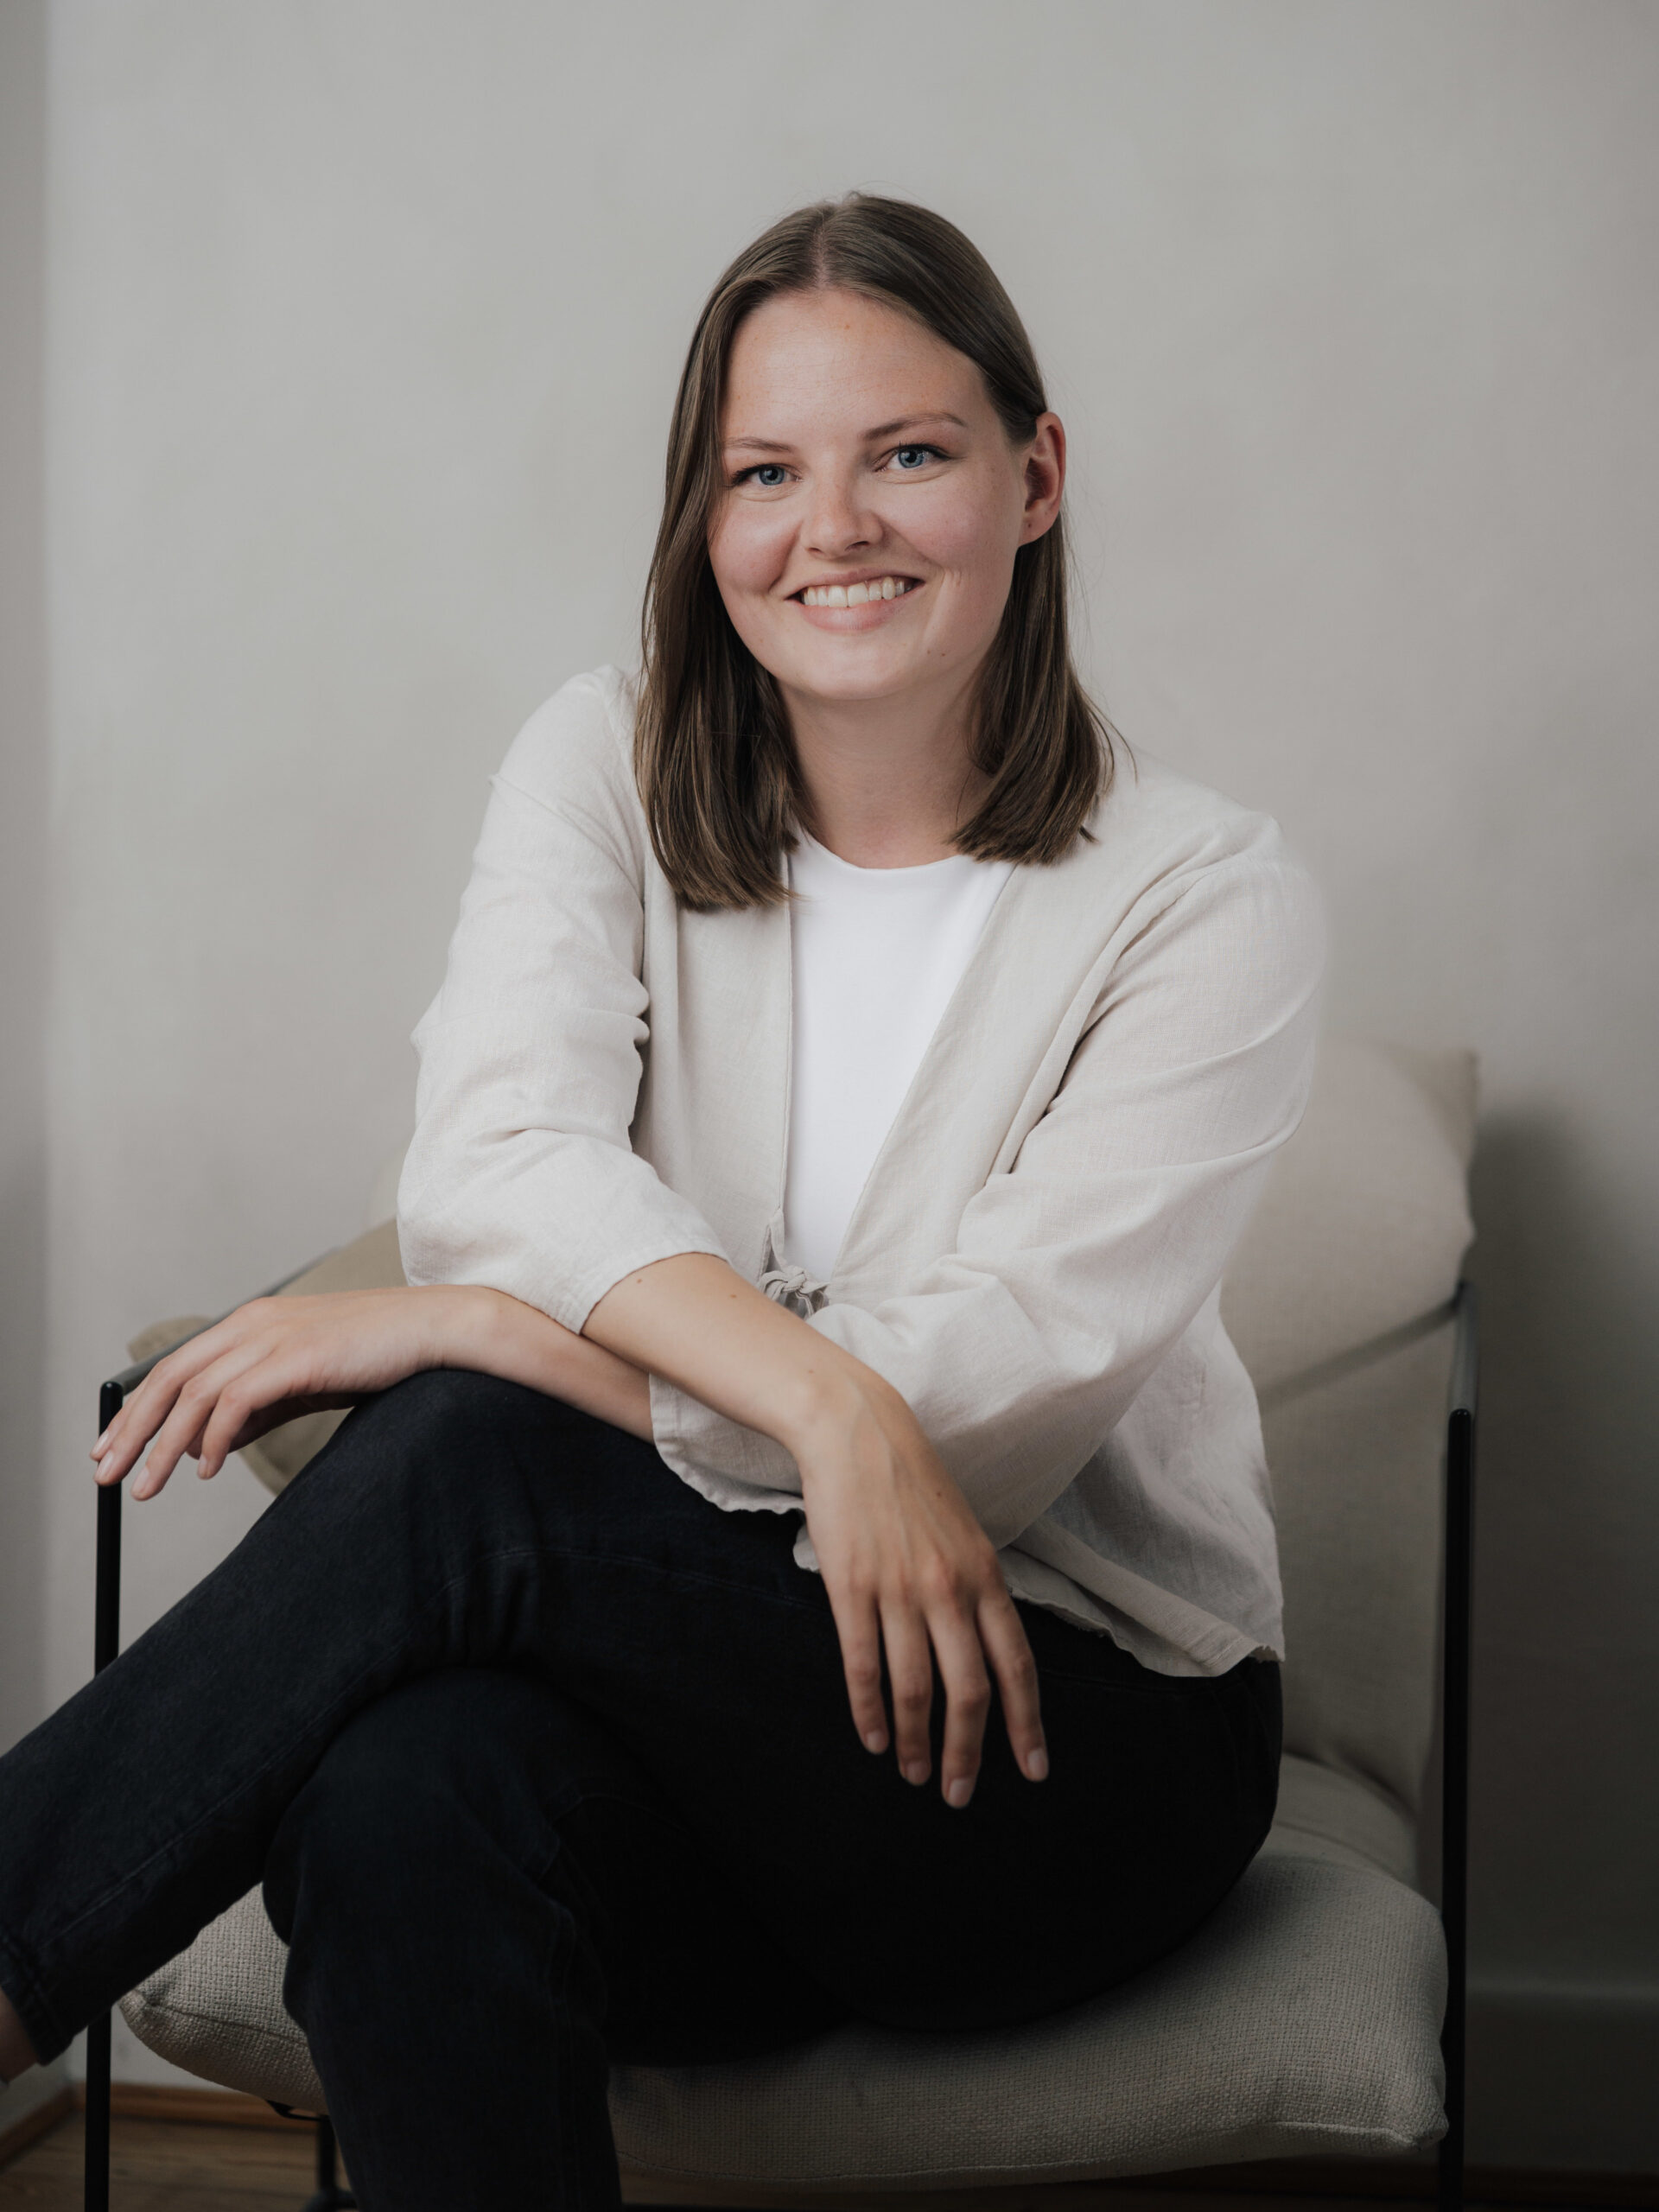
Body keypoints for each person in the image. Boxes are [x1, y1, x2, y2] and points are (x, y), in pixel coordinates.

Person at [0, 195, 1321, 2209]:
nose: (834, 527)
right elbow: (494, 1159)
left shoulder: (1205, 898)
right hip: (711, 1767)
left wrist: (490, 1328)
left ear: (1036, 475)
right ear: (705, 518)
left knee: (470, 1443)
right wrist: (820, 1398)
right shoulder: (601, 760)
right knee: (399, 1799)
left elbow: (974, 1417)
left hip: (1063, 1753)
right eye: (763, 471)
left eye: (909, 452)